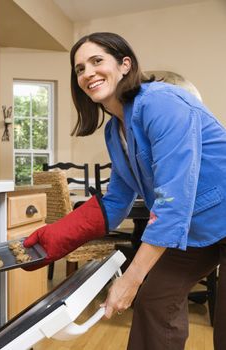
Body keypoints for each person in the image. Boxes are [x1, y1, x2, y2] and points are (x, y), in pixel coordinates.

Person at [23, 32, 226, 349]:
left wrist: (130, 279)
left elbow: (173, 203)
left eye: (96, 61)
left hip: (210, 214)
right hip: (197, 227)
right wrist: (51, 239)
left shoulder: (161, 102)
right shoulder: (114, 130)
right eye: (79, 69)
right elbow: (116, 201)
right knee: (155, 302)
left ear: (124, 64)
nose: (87, 73)